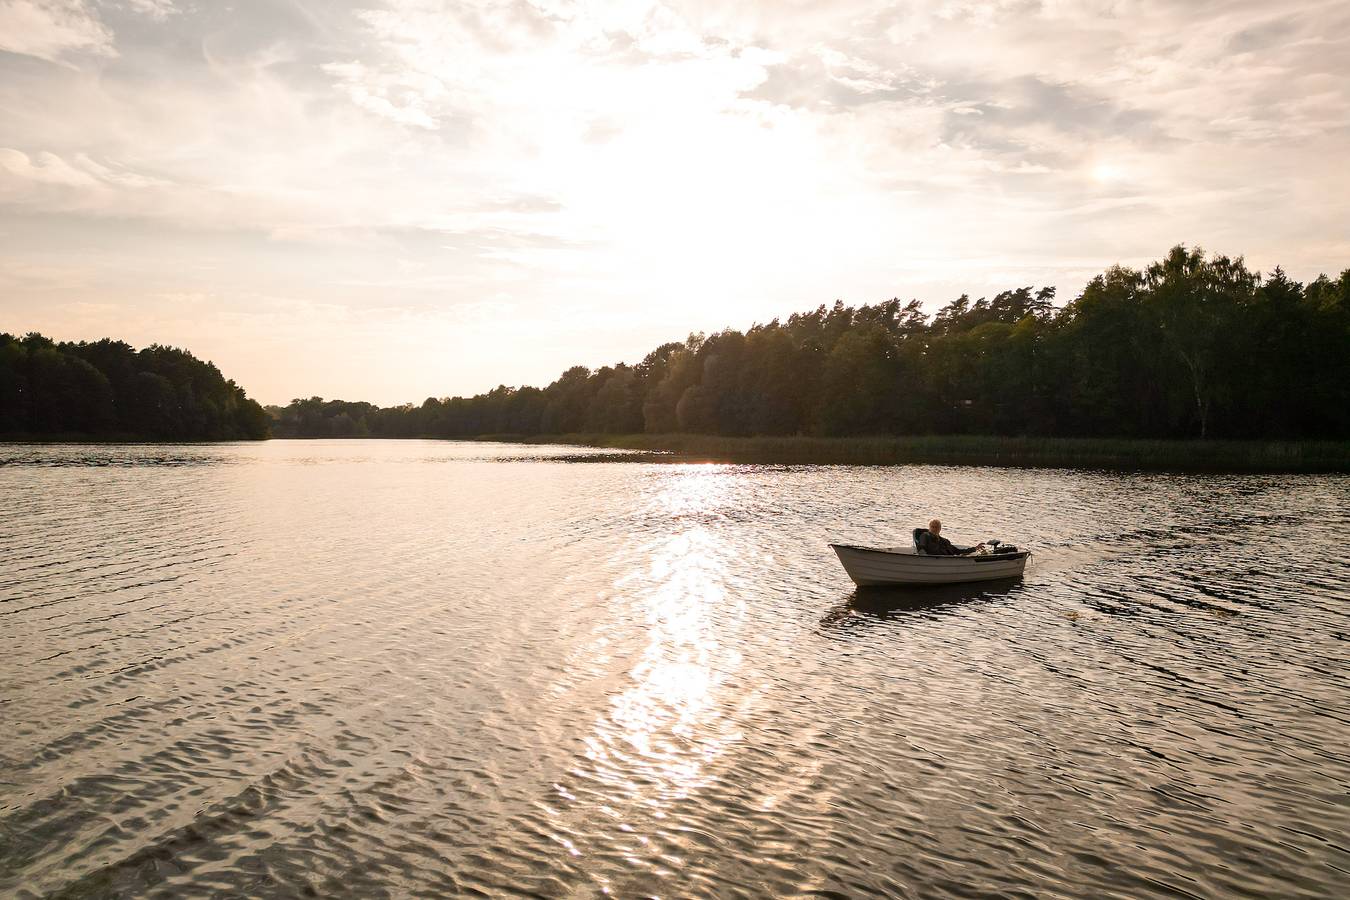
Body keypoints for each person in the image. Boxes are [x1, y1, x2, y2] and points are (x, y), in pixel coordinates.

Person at [916, 518, 985, 556]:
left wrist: (975, 548)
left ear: (940, 529)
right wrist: (925, 559)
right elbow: (921, 548)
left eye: (936, 527)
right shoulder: (925, 536)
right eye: (932, 527)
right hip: (932, 560)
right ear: (929, 528)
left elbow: (957, 551)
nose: (934, 529)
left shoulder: (945, 541)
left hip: (946, 561)